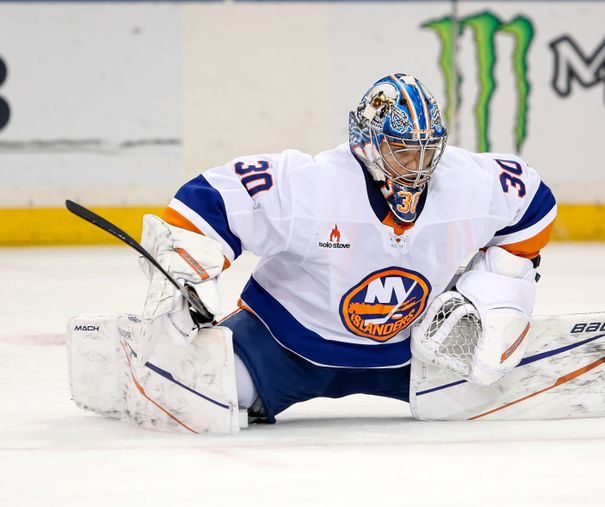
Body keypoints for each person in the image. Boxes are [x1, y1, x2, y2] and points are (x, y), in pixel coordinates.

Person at [141, 73, 556, 426]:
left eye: (428, 150)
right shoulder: (311, 184)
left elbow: (533, 203)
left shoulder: (468, 182)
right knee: (191, 392)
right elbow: (205, 201)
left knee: (484, 384)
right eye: (404, 150)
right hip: (282, 345)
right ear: (368, 142)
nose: (418, 165)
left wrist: (501, 290)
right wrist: (185, 273)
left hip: (413, 351)